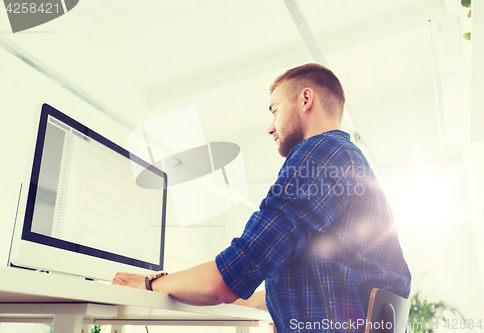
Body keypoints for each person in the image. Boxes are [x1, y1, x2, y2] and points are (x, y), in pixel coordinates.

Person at [113, 63, 411, 332]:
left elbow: (232, 275)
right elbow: (305, 285)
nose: (270, 127)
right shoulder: (349, 160)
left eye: (275, 110)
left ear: (306, 99)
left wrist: (150, 283)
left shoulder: (318, 154)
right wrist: (248, 300)